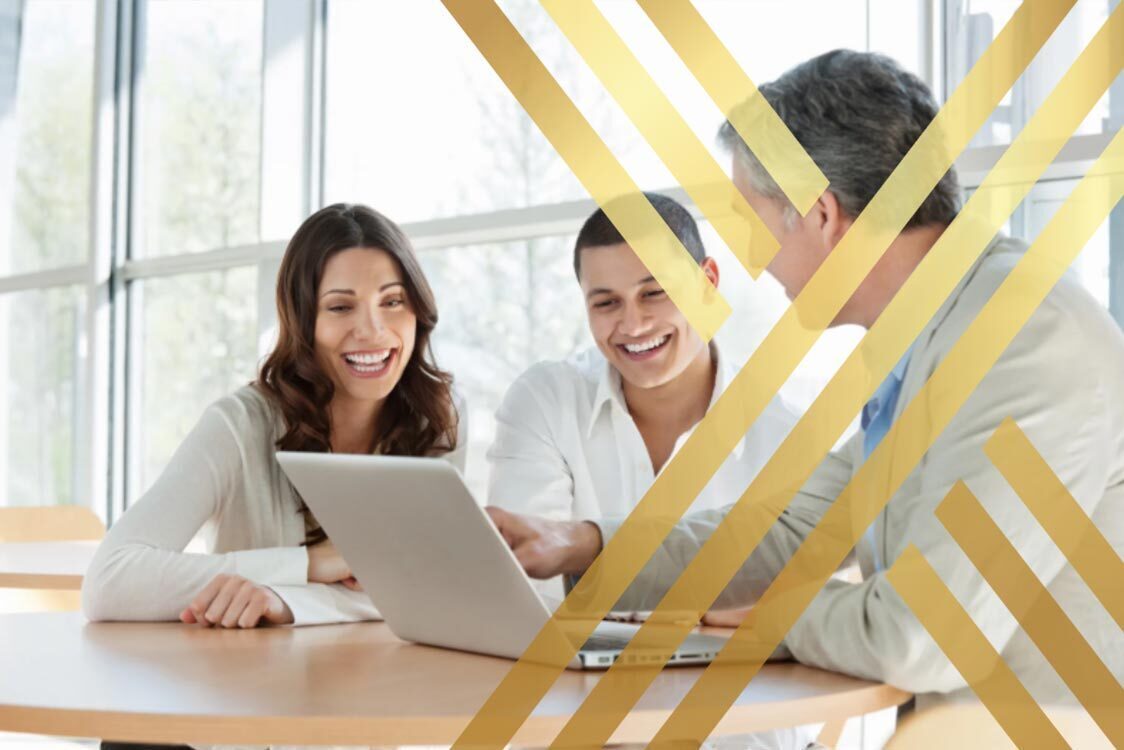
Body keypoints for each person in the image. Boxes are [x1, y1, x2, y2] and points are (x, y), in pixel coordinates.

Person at [486, 49, 1124, 721]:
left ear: (818, 215)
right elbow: (796, 525)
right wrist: (581, 544)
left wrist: (775, 618)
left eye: (754, 224)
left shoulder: (1022, 336)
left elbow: (923, 636)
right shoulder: (937, 331)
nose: (758, 267)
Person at [488, 193, 809, 750]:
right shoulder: (546, 401)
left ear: (708, 282)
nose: (633, 324)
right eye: (606, 303)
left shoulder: (784, 437)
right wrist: (704, 606)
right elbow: (519, 596)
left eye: (655, 292)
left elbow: (795, 622)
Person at [83, 202, 465, 633]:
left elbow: (434, 584)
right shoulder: (239, 424)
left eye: (393, 301)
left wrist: (287, 601)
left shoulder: (437, 418)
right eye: (340, 307)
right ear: (303, 321)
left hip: (393, 681)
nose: (373, 329)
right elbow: (109, 580)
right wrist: (308, 565)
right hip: (255, 686)